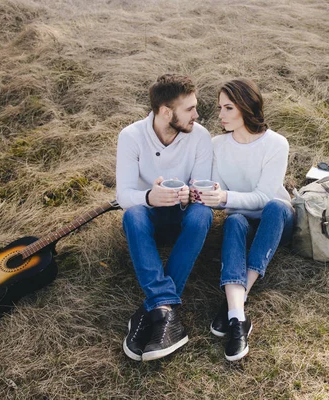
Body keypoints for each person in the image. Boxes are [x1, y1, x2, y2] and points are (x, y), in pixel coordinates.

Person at [195, 78, 295, 361]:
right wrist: (212, 195)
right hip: (240, 218)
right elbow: (217, 188)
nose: (221, 115)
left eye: (228, 107)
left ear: (246, 107)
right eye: (219, 108)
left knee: (275, 206)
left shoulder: (276, 144)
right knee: (235, 221)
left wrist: (225, 197)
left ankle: (236, 297)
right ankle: (238, 318)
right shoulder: (217, 145)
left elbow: (264, 197)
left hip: (276, 221)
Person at [116, 74, 213, 362]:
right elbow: (124, 195)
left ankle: (155, 309)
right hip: (150, 221)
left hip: (185, 219)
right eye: (190, 109)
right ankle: (166, 310)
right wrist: (149, 197)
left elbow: (202, 186)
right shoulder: (131, 136)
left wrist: (189, 195)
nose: (197, 114)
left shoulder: (200, 136)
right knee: (133, 214)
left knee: (202, 214)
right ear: (166, 112)